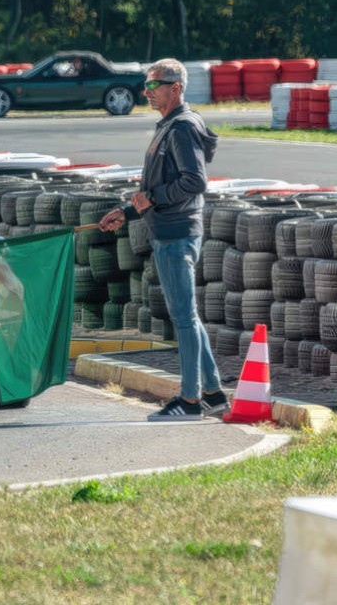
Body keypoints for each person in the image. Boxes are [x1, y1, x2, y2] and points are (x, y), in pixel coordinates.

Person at [99, 57, 225, 421]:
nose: (146, 92)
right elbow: (156, 186)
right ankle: (214, 394)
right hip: (169, 229)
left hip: (176, 232)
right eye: (146, 85)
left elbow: (194, 182)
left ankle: (189, 401)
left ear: (176, 87)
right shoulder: (171, 125)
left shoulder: (182, 127)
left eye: (154, 85)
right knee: (190, 317)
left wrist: (151, 200)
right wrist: (127, 211)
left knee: (184, 319)